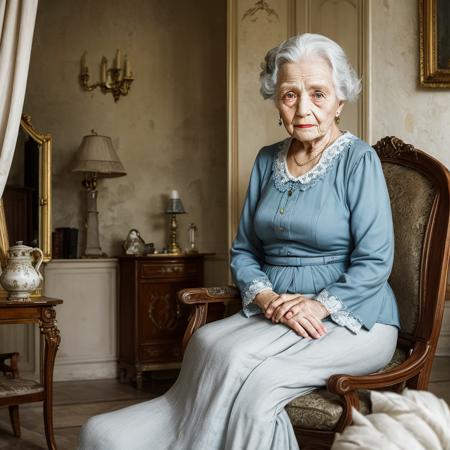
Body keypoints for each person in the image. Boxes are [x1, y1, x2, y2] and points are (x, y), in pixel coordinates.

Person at [78, 33, 400, 450]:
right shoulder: (268, 159)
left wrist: (318, 304)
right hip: (278, 307)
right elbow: (245, 249)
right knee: (208, 342)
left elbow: (376, 260)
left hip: (355, 316)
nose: (304, 108)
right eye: (289, 95)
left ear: (340, 100)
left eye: (318, 94)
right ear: (275, 101)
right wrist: (265, 297)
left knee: (260, 381)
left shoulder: (359, 160)